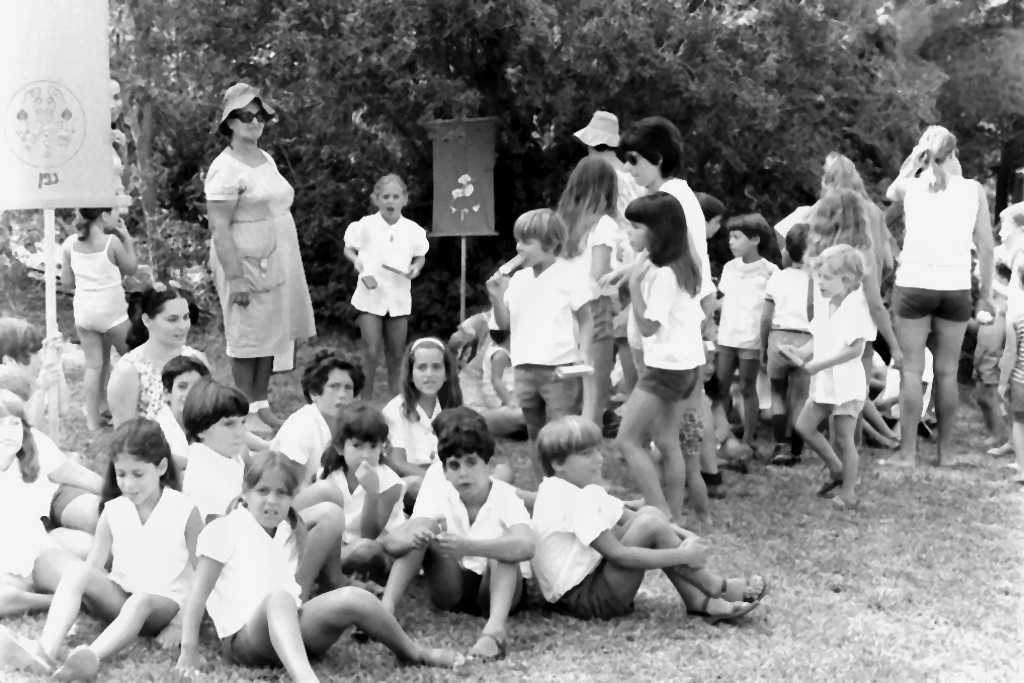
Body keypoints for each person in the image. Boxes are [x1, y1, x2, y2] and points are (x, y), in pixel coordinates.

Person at [174, 451, 459, 681]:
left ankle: (412, 652)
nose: (272, 501)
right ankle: (306, 678)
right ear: (245, 493)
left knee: (354, 597)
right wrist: (188, 650)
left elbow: (324, 519)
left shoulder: (288, 528)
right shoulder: (224, 529)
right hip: (246, 640)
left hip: (294, 627)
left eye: (282, 494)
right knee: (279, 598)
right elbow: (198, 594)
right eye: (262, 491)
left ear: (292, 498)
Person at [0, 419, 201, 680]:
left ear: (161, 467)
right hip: (121, 595)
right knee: (77, 572)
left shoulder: (184, 510)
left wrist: (179, 625)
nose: (128, 484)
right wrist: (80, 592)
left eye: (138, 474)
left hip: (163, 605)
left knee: (140, 601)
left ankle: (90, 658)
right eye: (121, 474)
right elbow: (93, 567)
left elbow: (201, 576)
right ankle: (46, 651)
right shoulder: (114, 510)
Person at [532, 416, 766, 622]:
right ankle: (716, 587)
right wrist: (683, 555)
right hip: (581, 599)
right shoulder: (567, 498)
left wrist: (686, 536)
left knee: (650, 515)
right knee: (649, 523)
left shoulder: (578, 490)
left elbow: (639, 518)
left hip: (593, 579)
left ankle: (701, 599)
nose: (599, 459)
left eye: (597, 450)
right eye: (586, 454)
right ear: (558, 464)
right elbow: (619, 555)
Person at [205, 82, 316, 434]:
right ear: (230, 122)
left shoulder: (265, 158)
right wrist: (236, 277)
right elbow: (220, 228)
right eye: (245, 116)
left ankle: (260, 404)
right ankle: (243, 408)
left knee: (270, 330)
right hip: (244, 258)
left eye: (260, 116)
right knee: (247, 333)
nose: (254, 122)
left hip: (276, 255)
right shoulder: (224, 168)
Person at [381, 407, 534, 661]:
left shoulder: (504, 495)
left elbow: (527, 546)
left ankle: (494, 633)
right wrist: (414, 538)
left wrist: (470, 547)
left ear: (487, 464)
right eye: (454, 465)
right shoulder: (440, 493)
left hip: (497, 587)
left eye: (471, 463)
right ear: (445, 472)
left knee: (505, 549)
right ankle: (384, 611)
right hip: (454, 587)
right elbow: (392, 543)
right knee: (420, 533)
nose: (463, 473)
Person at [886, 126, 994, 465]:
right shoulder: (973, 190)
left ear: (924, 153)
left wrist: (912, 162)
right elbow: (986, 246)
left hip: (914, 284)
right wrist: (986, 295)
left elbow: (890, 191)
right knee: (947, 372)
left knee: (911, 371)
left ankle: (907, 453)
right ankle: (946, 453)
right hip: (955, 287)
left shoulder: (911, 186)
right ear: (955, 153)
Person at [615, 193, 707, 524]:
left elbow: (649, 326)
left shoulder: (664, 274)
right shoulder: (682, 262)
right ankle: (673, 513)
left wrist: (634, 288)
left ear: (658, 231)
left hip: (666, 367)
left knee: (627, 440)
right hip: (686, 365)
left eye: (636, 227)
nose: (629, 233)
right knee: (667, 441)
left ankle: (660, 509)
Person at [486, 209, 594, 478]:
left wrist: (583, 351)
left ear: (551, 243)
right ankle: (544, 485)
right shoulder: (518, 280)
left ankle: (568, 486)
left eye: (526, 242)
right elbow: (505, 324)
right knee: (535, 433)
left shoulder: (569, 275)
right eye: (518, 240)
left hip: (559, 370)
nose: (519, 248)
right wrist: (497, 298)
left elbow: (586, 320)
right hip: (524, 369)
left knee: (560, 435)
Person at [788, 245, 874, 509]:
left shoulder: (855, 308)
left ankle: (849, 493)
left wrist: (819, 364)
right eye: (819, 277)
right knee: (804, 426)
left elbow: (855, 349)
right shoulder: (826, 304)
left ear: (846, 280)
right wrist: (800, 353)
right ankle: (837, 469)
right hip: (825, 383)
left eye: (826, 278)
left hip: (846, 385)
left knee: (844, 440)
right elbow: (819, 338)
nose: (820, 283)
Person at [0, 391, 88, 618]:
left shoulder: (28, 453)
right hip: (7, 569)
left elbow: (72, 472)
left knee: (90, 557)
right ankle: (53, 600)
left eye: (14, 424)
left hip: (37, 548)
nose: (8, 431)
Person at [293, 403, 406, 576]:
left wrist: (372, 493)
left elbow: (369, 535)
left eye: (373, 446)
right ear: (340, 447)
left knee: (364, 550)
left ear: (382, 447)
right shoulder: (329, 474)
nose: (366, 454)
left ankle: (318, 567)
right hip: (337, 544)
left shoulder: (390, 483)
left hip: (376, 549)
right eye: (357, 446)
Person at [343, 174, 429, 399]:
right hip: (370, 296)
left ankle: (397, 402)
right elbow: (349, 248)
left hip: (398, 298)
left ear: (405, 199)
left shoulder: (413, 230)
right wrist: (356, 261)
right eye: (386, 197)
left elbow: (420, 256)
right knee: (371, 351)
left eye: (395, 196)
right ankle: (364, 401)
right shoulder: (365, 225)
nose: (391, 201)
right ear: (376, 199)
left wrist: (416, 267)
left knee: (397, 354)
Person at [556, 156, 622, 426]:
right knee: (594, 389)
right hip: (594, 308)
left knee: (567, 389)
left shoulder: (561, 221)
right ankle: (589, 439)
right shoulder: (604, 224)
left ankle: (563, 440)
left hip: (564, 308)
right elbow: (599, 273)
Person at [60, 207, 137, 430]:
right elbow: (131, 269)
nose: (118, 216)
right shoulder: (112, 242)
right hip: (112, 313)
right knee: (135, 359)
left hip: (85, 313)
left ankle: (93, 420)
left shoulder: (69, 244)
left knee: (94, 366)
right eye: (114, 212)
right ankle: (134, 411)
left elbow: (66, 282)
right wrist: (128, 240)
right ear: (103, 215)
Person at [714, 214, 779, 448]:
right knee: (720, 387)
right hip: (727, 336)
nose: (730, 242)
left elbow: (773, 308)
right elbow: (725, 299)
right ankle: (721, 436)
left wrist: (767, 342)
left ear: (755, 239)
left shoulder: (770, 271)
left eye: (736, 237)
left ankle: (748, 438)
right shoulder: (729, 268)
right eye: (730, 237)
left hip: (751, 339)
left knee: (746, 387)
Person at [106, 284, 207, 427]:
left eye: (186, 317)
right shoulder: (129, 371)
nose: (182, 326)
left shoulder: (197, 359)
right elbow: (125, 433)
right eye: (172, 319)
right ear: (147, 320)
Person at [381, 338, 463, 497]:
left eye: (436, 367)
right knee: (416, 485)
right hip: (412, 480)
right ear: (411, 375)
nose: (429, 374)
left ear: (446, 374)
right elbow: (398, 463)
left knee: (502, 472)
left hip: (447, 474)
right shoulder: (395, 410)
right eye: (422, 367)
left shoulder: (450, 405)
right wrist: (441, 481)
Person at [272, 352, 363, 485]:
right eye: (334, 387)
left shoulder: (356, 425)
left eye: (348, 388)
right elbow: (285, 483)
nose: (342, 395)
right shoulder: (301, 426)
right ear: (314, 393)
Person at [762, 223, 812, 465]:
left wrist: (764, 345)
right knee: (801, 397)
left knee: (777, 393)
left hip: (779, 337)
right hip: (807, 339)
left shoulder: (777, 277)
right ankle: (797, 448)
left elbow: (766, 317)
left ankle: (780, 444)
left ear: (788, 250)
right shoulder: (817, 280)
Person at [180, 378, 250, 521]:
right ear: (201, 429)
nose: (241, 432)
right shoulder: (204, 480)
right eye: (229, 424)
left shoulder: (224, 454)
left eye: (243, 422)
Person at [0, 317, 65, 432]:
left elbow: (62, 408)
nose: (40, 359)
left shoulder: (30, 383)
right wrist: (40, 390)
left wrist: (56, 362)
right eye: (33, 353)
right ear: (9, 361)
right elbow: (28, 433)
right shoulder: (5, 399)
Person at [155, 355, 211, 470]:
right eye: (182, 387)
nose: (190, 393)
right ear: (167, 394)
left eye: (197, 386)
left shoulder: (209, 418)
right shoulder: (158, 432)